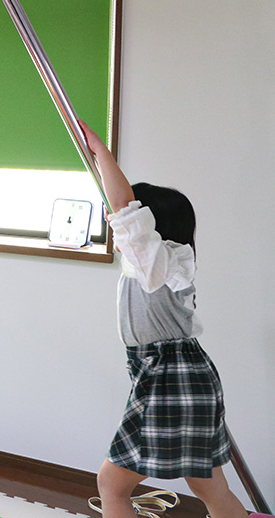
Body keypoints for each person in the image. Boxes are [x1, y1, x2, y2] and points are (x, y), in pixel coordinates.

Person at [80, 121, 254, 518]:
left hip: (170, 376)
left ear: (151, 227)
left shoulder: (156, 262)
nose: (114, 220)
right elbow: (124, 215)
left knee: (111, 485)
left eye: (129, 217)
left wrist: (101, 152)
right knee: (208, 485)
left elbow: (125, 210)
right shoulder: (162, 264)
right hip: (184, 375)